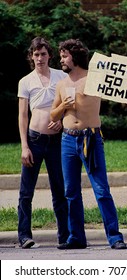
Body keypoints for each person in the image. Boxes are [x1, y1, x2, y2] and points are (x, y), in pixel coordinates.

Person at [50, 38, 127, 250]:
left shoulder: (94, 79)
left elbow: (120, 84)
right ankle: (76, 237)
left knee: (101, 189)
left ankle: (115, 237)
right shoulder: (62, 84)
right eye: (61, 55)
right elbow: (53, 114)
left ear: (75, 56)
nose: (61, 59)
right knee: (71, 192)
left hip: (90, 139)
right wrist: (63, 106)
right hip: (67, 140)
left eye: (65, 55)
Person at [17, 37, 69, 249]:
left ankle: (65, 236)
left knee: (60, 189)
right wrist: (24, 146)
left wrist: (63, 122)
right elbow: (22, 116)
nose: (40, 58)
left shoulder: (61, 76)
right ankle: (24, 236)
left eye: (43, 54)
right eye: (36, 54)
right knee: (26, 191)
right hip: (35, 139)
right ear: (32, 57)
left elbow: (70, 105)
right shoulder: (26, 81)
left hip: (57, 141)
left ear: (50, 55)